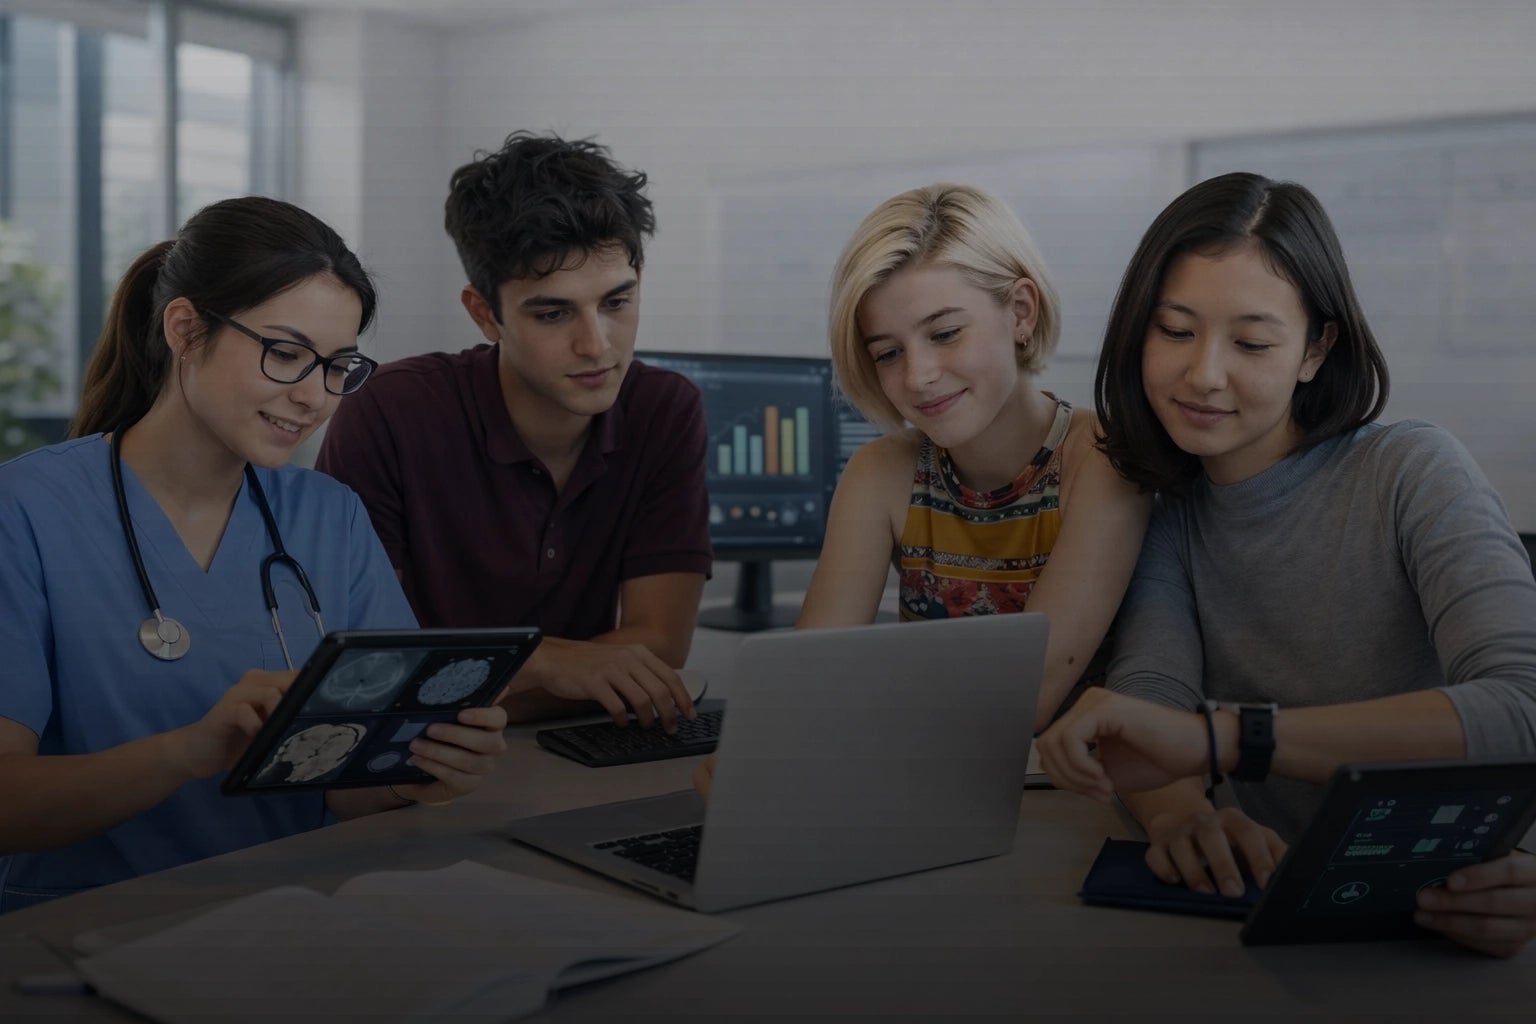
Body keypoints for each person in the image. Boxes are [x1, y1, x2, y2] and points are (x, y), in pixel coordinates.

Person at [1035, 172, 1536, 958]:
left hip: (1453, 912)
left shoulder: (1411, 469)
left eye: (1253, 343)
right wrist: (1180, 817)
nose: (1203, 374)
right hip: (1277, 926)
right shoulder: (1171, 510)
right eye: (1173, 331)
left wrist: (1230, 740)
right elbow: (1152, 704)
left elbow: (1523, 708)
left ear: (1315, 349)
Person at [0, 197, 509, 914]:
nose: (313, 397)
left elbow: (346, 789)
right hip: (80, 935)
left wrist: (417, 771)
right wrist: (191, 750)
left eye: (338, 366)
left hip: (293, 922)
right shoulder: (25, 510)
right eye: (286, 353)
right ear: (185, 329)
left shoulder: (332, 516)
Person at [693, 183, 1151, 797]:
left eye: (944, 333)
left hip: (1078, 803)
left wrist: (828, 731)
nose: (918, 376)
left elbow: (1025, 694)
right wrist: (770, 744)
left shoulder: (1104, 460)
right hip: (931, 790)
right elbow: (813, 681)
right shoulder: (881, 473)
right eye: (888, 353)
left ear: (1021, 312)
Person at [317, 132, 710, 732]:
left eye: (616, 301)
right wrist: (548, 661)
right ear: (484, 313)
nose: (597, 345)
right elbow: (365, 664)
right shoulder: (391, 412)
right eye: (553, 313)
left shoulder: (665, 409)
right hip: (407, 762)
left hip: (559, 744)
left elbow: (658, 645)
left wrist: (470, 690)